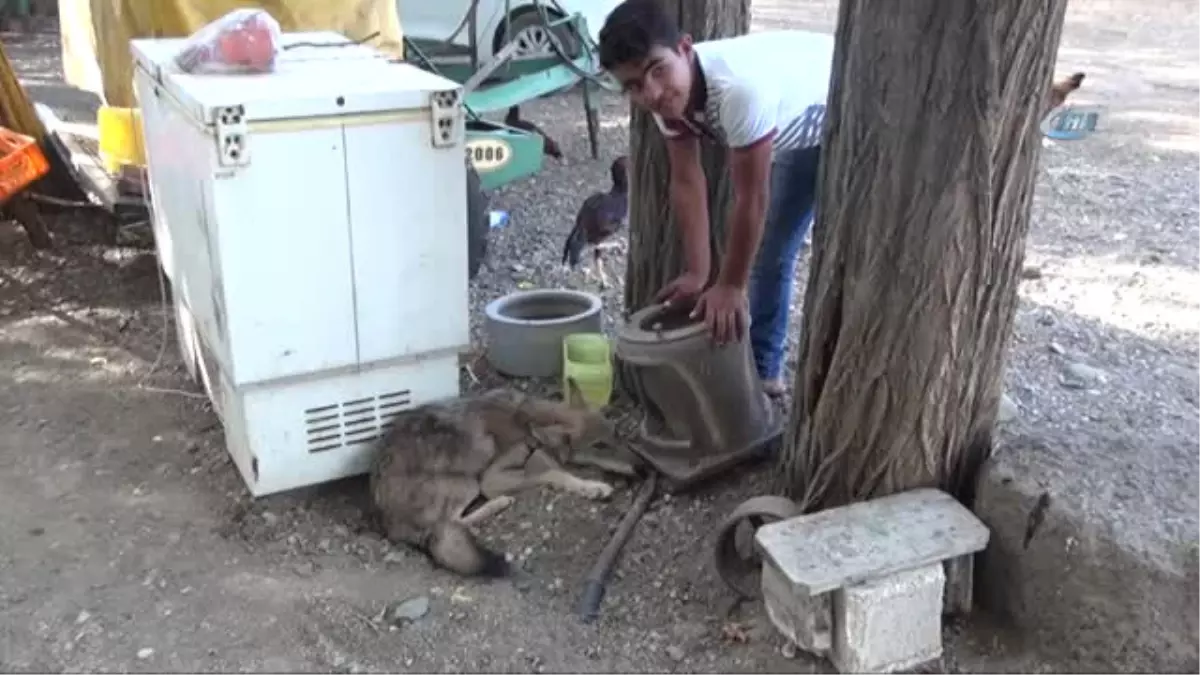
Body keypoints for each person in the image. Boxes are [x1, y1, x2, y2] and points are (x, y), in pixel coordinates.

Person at [598, 0, 832, 397]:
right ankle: (763, 376)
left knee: (785, 253)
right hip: (790, 123)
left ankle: (776, 371)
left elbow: (751, 197)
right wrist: (698, 273)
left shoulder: (738, 91)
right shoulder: (668, 96)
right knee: (768, 252)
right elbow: (687, 182)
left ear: (686, 49)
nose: (651, 92)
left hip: (835, 113)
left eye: (658, 70)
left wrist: (730, 285)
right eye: (634, 85)